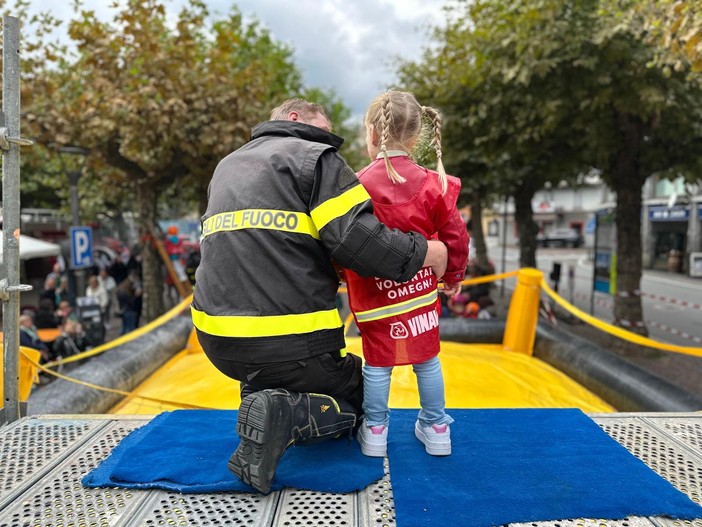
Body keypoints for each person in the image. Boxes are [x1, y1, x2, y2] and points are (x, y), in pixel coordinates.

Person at [192, 98, 448, 494]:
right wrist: (427, 252)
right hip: (290, 341)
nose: (329, 139)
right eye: (325, 129)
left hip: (218, 343)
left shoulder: (228, 165)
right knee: (364, 396)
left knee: (277, 370)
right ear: (295, 118)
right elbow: (359, 241)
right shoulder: (313, 156)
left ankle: (264, 398)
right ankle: (286, 413)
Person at [344, 91, 469, 458]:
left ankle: (376, 428)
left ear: (371, 133)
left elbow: (342, 235)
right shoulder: (435, 184)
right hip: (419, 293)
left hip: (373, 294)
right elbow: (455, 235)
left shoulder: (355, 184)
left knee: (378, 362)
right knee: (427, 359)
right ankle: (436, 426)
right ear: (416, 138)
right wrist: (454, 273)